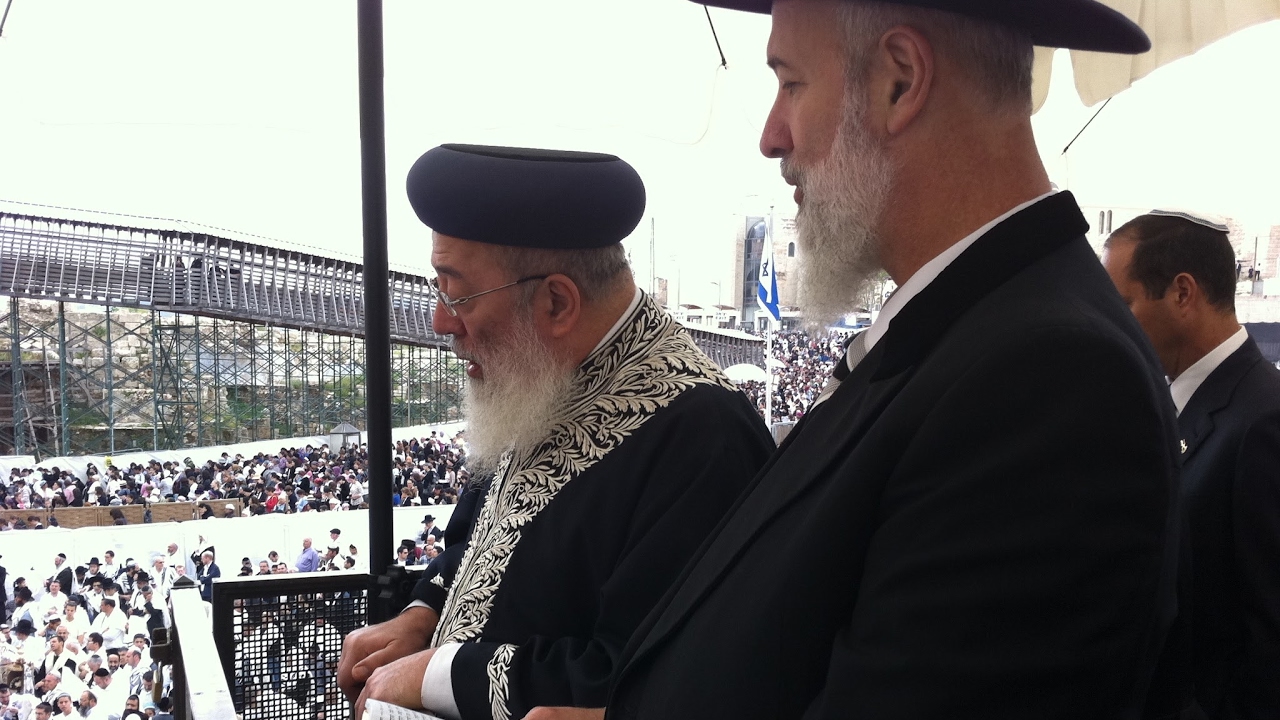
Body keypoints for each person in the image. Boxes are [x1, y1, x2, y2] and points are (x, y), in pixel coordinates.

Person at [599, 1, 1183, 718]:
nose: (771, 136)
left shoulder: (1051, 381)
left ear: (900, 81)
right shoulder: (968, 332)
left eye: (790, 83)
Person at [339, 144, 773, 720]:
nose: (441, 321)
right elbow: (476, 546)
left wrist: (438, 674)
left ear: (556, 302)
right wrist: (421, 616)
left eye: (457, 293)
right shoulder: (537, 375)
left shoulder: (704, 439)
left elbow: (644, 677)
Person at [1102, 210, 1280, 719]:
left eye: (1123, 305)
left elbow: (1270, 635)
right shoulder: (1178, 402)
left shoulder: (1263, 421)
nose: (1110, 323)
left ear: (1182, 293)